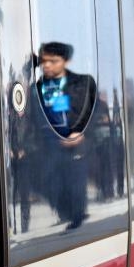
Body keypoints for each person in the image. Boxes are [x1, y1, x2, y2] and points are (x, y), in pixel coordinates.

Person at [35, 41, 96, 231]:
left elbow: (92, 110)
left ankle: (77, 217)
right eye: (44, 61)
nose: (47, 65)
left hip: (74, 140)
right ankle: (67, 212)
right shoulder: (37, 87)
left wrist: (80, 131)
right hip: (48, 142)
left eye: (53, 61)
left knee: (75, 180)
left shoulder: (83, 82)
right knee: (48, 181)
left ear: (66, 62)